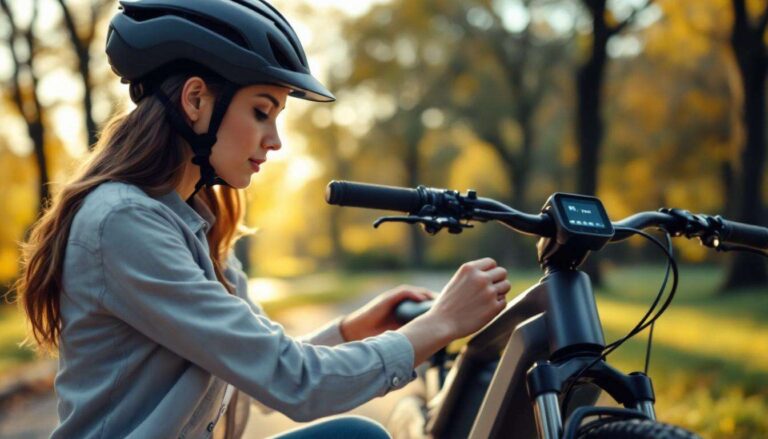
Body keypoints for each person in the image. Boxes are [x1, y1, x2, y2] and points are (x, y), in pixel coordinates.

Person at [13, 1, 511, 437]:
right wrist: (441, 324)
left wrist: (351, 329)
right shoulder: (124, 222)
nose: (275, 140)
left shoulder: (197, 222)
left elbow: (256, 370)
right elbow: (293, 382)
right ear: (196, 100)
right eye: (261, 111)